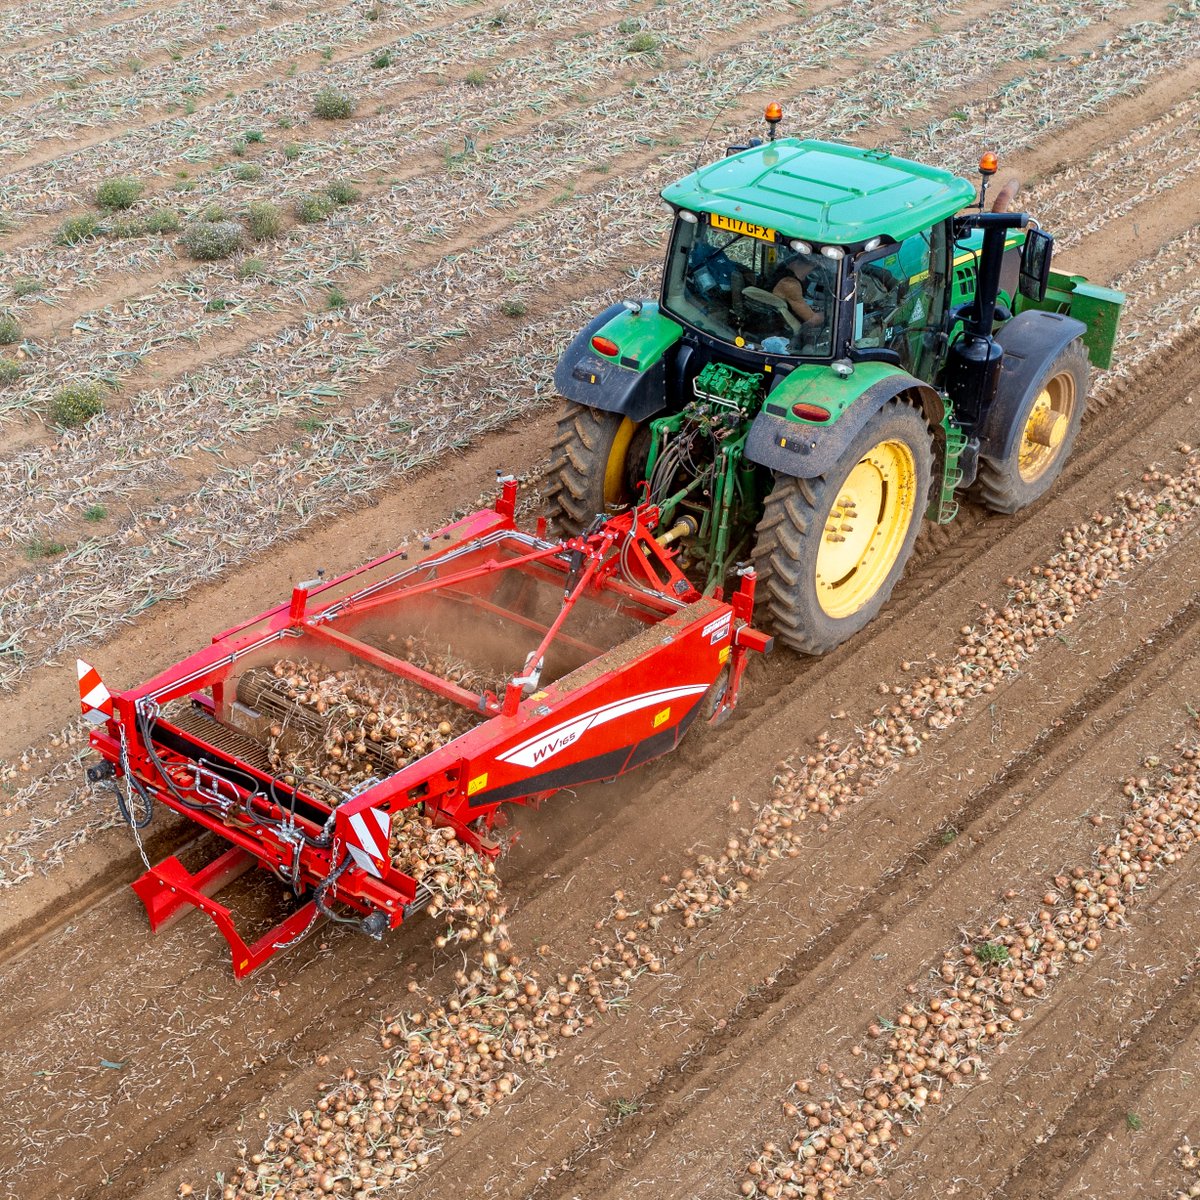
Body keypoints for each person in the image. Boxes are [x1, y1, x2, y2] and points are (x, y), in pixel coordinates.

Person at [772, 253, 829, 327]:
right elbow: (812, 319)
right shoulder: (789, 284)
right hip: (784, 329)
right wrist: (831, 313)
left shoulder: (781, 274)